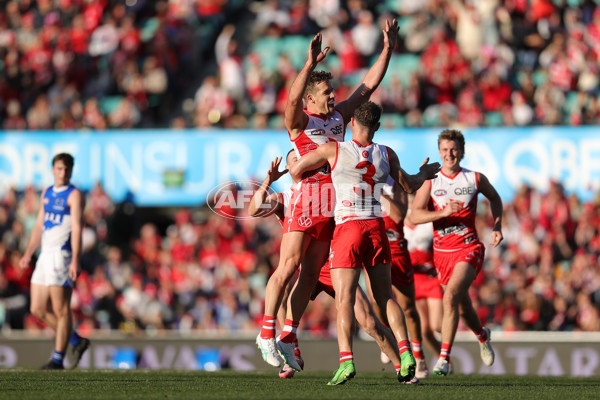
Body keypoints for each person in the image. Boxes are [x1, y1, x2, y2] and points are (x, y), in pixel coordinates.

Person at [257, 19, 400, 371]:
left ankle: (288, 336)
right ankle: (266, 333)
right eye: (326, 93)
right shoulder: (299, 121)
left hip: (334, 206)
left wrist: (388, 49)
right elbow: (290, 98)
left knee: (309, 274)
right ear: (310, 98)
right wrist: (308, 65)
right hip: (307, 200)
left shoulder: (338, 118)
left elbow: (367, 87)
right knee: (288, 266)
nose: (333, 97)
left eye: (333, 93)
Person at [291, 101, 440, 385]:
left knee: (345, 299)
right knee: (385, 298)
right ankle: (407, 353)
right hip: (376, 226)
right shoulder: (387, 152)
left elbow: (297, 170)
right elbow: (408, 185)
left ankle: (346, 361)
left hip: (348, 227)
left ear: (351, 124)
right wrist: (424, 174)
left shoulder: (333, 149)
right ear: (377, 127)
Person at [249, 153, 405, 381]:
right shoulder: (285, 198)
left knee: (369, 322)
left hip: (336, 268)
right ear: (291, 167)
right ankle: (291, 350)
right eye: (295, 159)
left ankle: (402, 368)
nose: (302, 162)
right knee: (281, 297)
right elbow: (253, 209)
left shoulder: (333, 192)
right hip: (309, 272)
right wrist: (267, 181)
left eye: (306, 158)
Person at [410, 129, 503, 376]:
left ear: (461, 151)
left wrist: (497, 226)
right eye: (444, 150)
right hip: (441, 253)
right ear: (439, 152)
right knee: (462, 306)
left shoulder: (474, 179)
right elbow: (415, 215)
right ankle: (482, 335)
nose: (449, 154)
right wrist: (442, 213)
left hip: (469, 247)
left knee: (450, 296)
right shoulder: (431, 181)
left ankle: (443, 359)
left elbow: (495, 198)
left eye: (453, 150)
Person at [19, 153, 90, 369]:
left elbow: (77, 227)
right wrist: (29, 252)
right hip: (45, 254)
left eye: (67, 169)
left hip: (61, 254)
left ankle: (58, 359)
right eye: (59, 169)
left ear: (71, 171)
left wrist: (75, 258)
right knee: (37, 308)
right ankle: (76, 340)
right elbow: (40, 225)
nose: (63, 173)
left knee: (61, 309)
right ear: (52, 169)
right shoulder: (48, 193)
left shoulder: (74, 194)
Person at [379, 181, 430, 379]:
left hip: (397, 251)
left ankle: (419, 356)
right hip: (374, 248)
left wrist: (379, 193)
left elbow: (398, 215)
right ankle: (388, 342)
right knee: (377, 303)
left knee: (408, 307)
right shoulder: (359, 182)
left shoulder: (396, 187)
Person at [404, 195, 442, 365]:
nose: (412, 206)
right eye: (409, 202)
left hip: (430, 277)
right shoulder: (399, 225)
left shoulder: (428, 224)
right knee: (424, 330)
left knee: (437, 325)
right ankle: (442, 357)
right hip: (413, 280)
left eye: (415, 203)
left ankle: (444, 355)